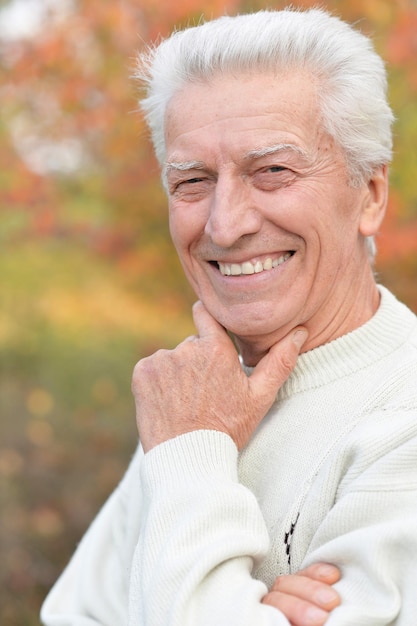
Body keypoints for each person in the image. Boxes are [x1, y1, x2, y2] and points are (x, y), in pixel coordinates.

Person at [41, 7, 417, 626]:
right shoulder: (194, 405)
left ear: (370, 195)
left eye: (272, 171)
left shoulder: (403, 423)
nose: (224, 223)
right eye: (191, 181)